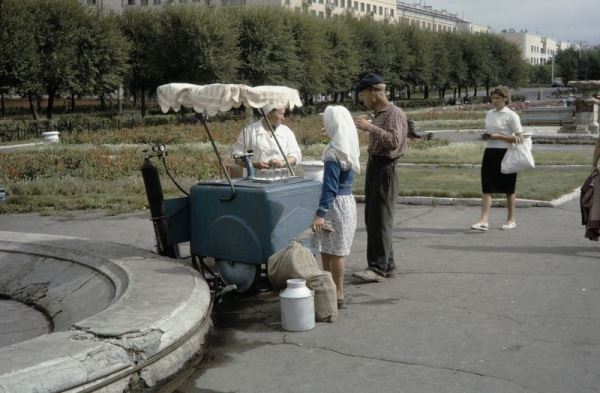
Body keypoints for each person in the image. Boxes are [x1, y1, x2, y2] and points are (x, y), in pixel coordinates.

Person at [351, 73, 408, 283]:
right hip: (376, 166)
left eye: (363, 94)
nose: (362, 99)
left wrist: (370, 127)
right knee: (374, 219)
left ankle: (377, 268)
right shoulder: (379, 113)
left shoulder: (394, 113)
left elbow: (394, 141)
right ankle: (388, 264)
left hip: (386, 168)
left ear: (373, 92)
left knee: (381, 220)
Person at [312, 106, 360, 309]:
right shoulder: (348, 148)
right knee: (337, 249)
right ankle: (336, 291)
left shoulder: (333, 153)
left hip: (334, 206)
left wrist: (320, 213)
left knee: (331, 250)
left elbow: (330, 188)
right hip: (347, 201)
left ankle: (334, 291)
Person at [471, 86, 524, 232]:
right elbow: (490, 132)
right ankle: (484, 220)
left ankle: (511, 219)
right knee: (487, 187)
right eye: (493, 98)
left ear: (505, 99)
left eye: (498, 98)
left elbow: (520, 138)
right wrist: (486, 136)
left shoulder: (511, 115)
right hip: (490, 152)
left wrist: (498, 137)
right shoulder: (489, 113)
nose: (494, 101)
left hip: (506, 153)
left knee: (508, 188)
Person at [232, 103, 301, 170]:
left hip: (281, 178)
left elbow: (295, 154)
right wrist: (254, 164)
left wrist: (283, 163)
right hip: (256, 180)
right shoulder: (249, 131)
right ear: (269, 113)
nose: (283, 118)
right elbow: (237, 157)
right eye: (281, 114)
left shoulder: (286, 131)